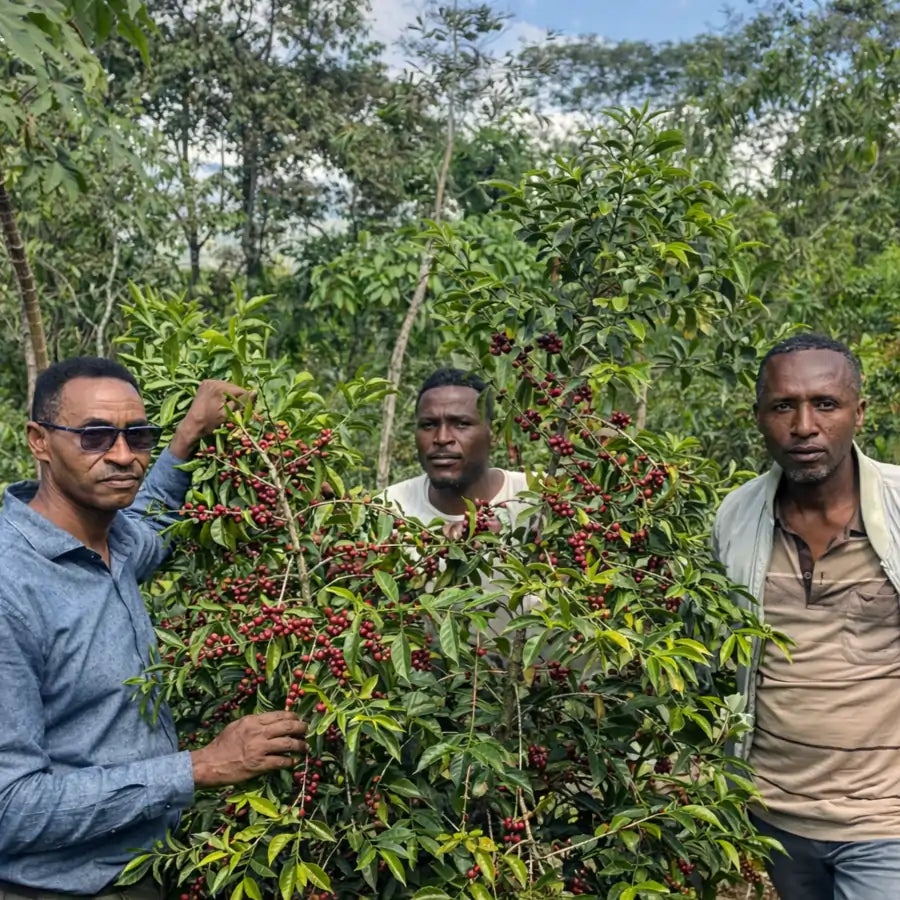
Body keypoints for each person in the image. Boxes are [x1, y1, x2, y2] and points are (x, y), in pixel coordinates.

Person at [0, 358, 308, 898]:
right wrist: (200, 767)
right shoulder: (11, 587)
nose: (122, 456)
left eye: (136, 435)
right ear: (39, 441)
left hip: (150, 871)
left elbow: (150, 519)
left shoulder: (113, 543)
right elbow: (10, 809)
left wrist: (188, 433)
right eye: (94, 436)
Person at [713, 334, 900, 899]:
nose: (803, 426)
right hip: (774, 817)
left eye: (825, 404)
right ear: (758, 417)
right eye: (782, 407)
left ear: (858, 413)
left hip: (884, 822)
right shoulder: (737, 515)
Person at [385, 367, 529, 536]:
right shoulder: (386, 510)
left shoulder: (535, 501)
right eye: (429, 425)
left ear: (495, 433)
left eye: (461, 424)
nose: (442, 438)